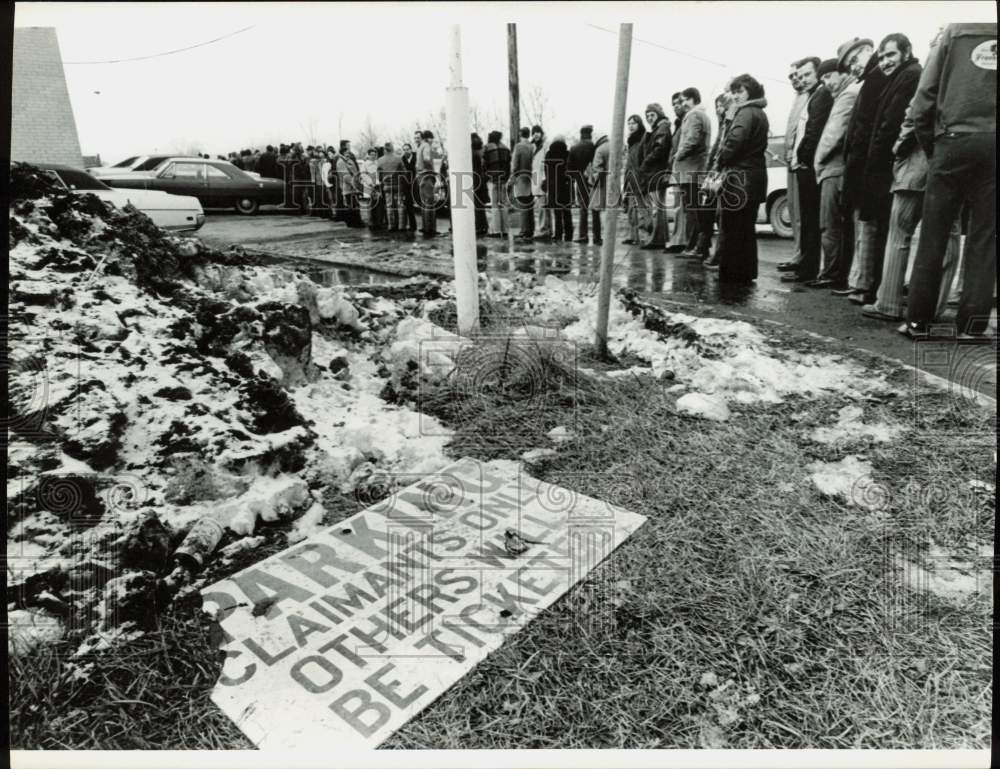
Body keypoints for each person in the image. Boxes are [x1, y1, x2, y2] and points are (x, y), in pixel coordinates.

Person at [902, 22, 996, 339]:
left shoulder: (952, 34)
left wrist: (935, 147)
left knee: (934, 234)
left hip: (952, 140)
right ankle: (972, 326)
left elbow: (923, 99)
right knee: (985, 239)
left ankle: (918, 321)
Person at [863, 101, 961, 322]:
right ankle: (933, 309)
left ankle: (888, 303)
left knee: (899, 235)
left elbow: (914, 117)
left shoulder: (932, 81)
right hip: (953, 169)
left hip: (916, 169)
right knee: (949, 238)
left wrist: (899, 150)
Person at [846, 33, 922, 305]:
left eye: (891, 55)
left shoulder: (909, 75)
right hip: (881, 162)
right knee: (878, 229)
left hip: (884, 164)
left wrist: (878, 158)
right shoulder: (896, 77)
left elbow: (891, 124)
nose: (886, 61)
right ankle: (875, 289)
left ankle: (878, 292)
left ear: (907, 51)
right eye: (882, 56)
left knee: (883, 230)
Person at [836, 36, 890, 300]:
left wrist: (856, 170)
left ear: (868, 51)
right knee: (865, 227)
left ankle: (864, 285)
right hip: (865, 165)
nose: (853, 68)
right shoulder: (871, 79)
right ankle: (863, 283)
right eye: (848, 66)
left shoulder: (876, 79)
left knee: (867, 227)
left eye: (854, 60)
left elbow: (864, 131)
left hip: (867, 167)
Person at [714, 74, 769, 284]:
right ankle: (745, 273)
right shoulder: (759, 112)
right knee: (746, 228)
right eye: (734, 92)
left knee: (732, 227)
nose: (735, 96)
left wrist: (721, 161)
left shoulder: (745, 112)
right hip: (754, 176)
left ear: (750, 92)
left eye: (740, 92)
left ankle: (731, 277)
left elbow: (735, 141)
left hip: (739, 178)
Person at [782, 57, 833, 285]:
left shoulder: (821, 95)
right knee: (808, 220)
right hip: (804, 165)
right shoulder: (811, 96)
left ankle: (808, 270)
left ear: (818, 74)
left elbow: (813, 132)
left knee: (811, 222)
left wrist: (803, 157)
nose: (802, 80)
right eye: (799, 76)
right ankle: (805, 266)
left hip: (809, 166)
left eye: (807, 75)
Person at [811, 58, 861, 289]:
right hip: (842, 168)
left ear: (840, 73)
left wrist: (817, 162)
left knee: (830, 225)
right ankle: (838, 274)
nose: (826, 83)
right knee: (842, 226)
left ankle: (831, 274)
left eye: (828, 77)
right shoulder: (851, 91)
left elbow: (832, 134)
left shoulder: (847, 95)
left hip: (834, 168)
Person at [778, 63, 810, 272]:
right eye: (791, 77)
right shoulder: (798, 97)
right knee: (793, 209)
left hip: (800, 160)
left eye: (797, 75)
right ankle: (797, 252)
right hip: (791, 160)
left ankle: (802, 255)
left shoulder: (810, 97)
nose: (794, 80)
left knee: (800, 213)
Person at [674, 87, 713, 258]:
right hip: (696, 168)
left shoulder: (694, 115)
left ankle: (693, 247)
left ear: (694, 99)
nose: (682, 104)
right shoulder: (703, 115)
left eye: (685, 100)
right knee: (696, 210)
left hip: (690, 169)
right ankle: (698, 246)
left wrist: (678, 155)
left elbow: (692, 141)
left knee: (692, 211)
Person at [699, 93, 735, 266]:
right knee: (710, 213)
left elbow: (721, 151)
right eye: (717, 107)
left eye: (721, 106)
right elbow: (715, 150)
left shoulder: (730, 124)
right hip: (715, 174)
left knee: (721, 215)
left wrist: (714, 169)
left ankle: (719, 255)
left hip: (722, 174)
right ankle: (709, 249)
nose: (719, 110)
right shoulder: (722, 126)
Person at [638, 103, 673, 249]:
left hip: (656, 171)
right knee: (658, 207)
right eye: (647, 116)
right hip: (656, 171)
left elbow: (659, 148)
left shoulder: (662, 128)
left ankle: (656, 239)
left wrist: (646, 161)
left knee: (656, 208)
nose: (649, 118)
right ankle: (660, 238)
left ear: (658, 114)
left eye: (652, 115)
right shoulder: (658, 129)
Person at [568, 125, 598, 244]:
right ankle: (597, 236)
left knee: (583, 208)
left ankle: (583, 235)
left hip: (580, 180)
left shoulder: (574, 148)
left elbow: (569, 167)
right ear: (590, 134)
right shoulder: (595, 147)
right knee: (595, 208)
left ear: (581, 134)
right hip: (594, 180)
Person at [623, 114, 648, 245]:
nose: (631, 126)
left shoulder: (643, 138)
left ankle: (644, 235)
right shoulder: (630, 141)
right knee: (631, 207)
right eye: (629, 123)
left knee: (641, 207)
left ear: (639, 124)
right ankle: (633, 235)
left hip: (639, 176)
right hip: (630, 177)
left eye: (633, 123)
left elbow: (643, 158)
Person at [544, 135, 573, 242]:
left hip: (553, 186)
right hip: (565, 186)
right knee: (567, 212)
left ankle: (558, 234)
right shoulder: (568, 154)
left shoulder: (549, 154)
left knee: (557, 212)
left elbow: (546, 171)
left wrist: (549, 182)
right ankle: (569, 235)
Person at [484, 130, 511, 238]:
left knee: (494, 205)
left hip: (493, 180)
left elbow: (484, 165)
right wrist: (506, 177)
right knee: (503, 204)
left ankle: (496, 230)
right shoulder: (506, 148)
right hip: (503, 180)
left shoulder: (486, 148)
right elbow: (509, 165)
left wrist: (487, 176)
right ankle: (505, 230)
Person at [510, 127, 535, 241]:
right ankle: (530, 229)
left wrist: (513, 176)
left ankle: (524, 231)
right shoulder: (532, 146)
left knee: (523, 205)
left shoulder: (518, 147)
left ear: (520, 134)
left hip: (521, 178)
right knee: (530, 205)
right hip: (532, 178)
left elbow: (515, 164)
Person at [588, 130, 610, 246]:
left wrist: (592, 181)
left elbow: (597, 170)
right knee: (609, 211)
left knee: (595, 210)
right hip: (611, 183)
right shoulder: (612, 146)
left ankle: (597, 238)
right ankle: (609, 236)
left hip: (600, 185)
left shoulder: (600, 150)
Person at [530, 125, 551, 239]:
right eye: (534, 133)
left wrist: (546, 179)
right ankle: (546, 229)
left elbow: (547, 163)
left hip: (542, 177)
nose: (535, 135)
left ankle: (544, 229)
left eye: (537, 132)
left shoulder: (545, 145)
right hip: (535, 177)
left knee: (543, 205)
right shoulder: (532, 146)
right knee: (540, 205)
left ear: (541, 133)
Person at [336, 140, 363, 227]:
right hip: (349, 187)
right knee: (352, 205)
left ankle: (354, 222)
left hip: (351, 186)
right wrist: (355, 184)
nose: (349, 153)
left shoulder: (347, 160)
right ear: (343, 152)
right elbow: (345, 176)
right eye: (347, 152)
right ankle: (354, 223)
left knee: (353, 205)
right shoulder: (341, 162)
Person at [416, 130, 438, 237]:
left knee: (424, 203)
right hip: (427, 175)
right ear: (428, 138)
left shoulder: (419, 147)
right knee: (430, 202)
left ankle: (426, 227)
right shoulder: (427, 146)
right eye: (431, 138)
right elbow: (427, 159)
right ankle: (431, 228)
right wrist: (432, 170)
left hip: (420, 175)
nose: (432, 140)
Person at [470, 133, 490, 236]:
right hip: (482, 180)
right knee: (480, 205)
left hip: (474, 180)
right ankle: (483, 226)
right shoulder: (482, 151)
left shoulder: (471, 153)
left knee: (476, 205)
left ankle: (478, 227)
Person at [399, 142, 418, 231]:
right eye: (404, 150)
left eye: (407, 149)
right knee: (408, 205)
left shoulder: (416, 157)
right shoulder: (402, 159)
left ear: (411, 149)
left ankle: (427, 226)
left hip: (417, 182)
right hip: (407, 184)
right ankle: (412, 225)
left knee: (421, 203)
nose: (406, 151)